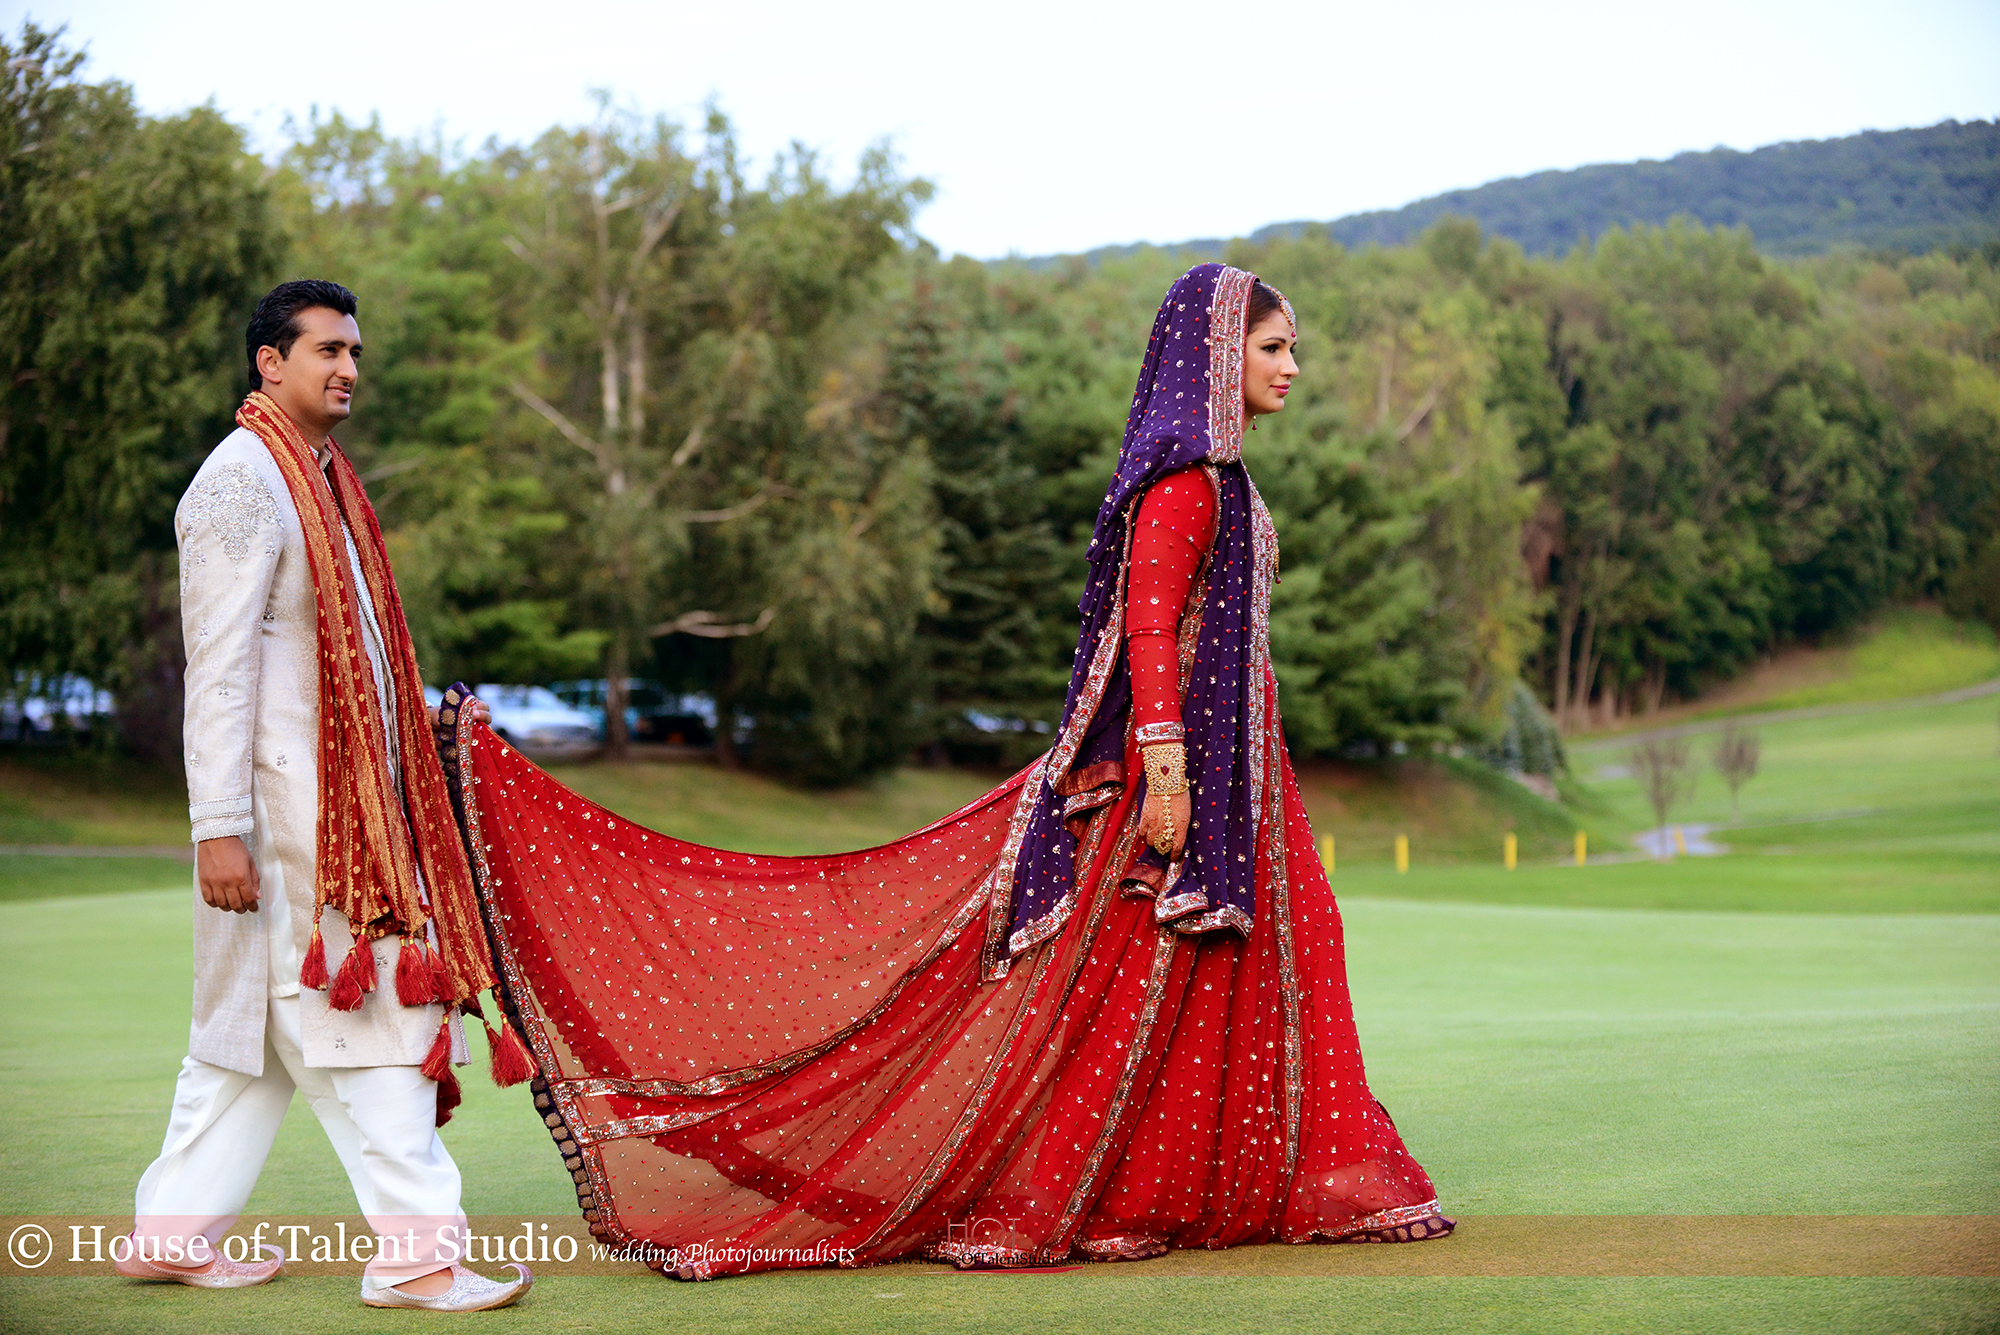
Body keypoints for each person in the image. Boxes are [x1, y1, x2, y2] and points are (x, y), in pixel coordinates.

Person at [442, 263, 1452, 1279]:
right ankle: (1082, 1190)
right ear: (1215, 357)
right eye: (1273, 347)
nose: (1291, 366)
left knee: (1218, 973)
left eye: (1292, 350)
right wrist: (1168, 772)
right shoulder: (1184, 488)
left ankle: (1180, 1187)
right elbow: (1148, 628)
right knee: (1112, 991)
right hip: (1173, 785)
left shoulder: (1228, 485)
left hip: (1238, 779)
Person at [120, 280, 534, 1311]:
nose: (347, 368)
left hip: (331, 810)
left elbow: (341, 665)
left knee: (248, 1043)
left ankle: (171, 1237)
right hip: (294, 825)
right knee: (376, 1019)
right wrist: (218, 828)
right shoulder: (239, 484)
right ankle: (417, 1259)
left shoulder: (321, 481)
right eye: (326, 350)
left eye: (354, 352)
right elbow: (217, 672)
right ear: (270, 362)